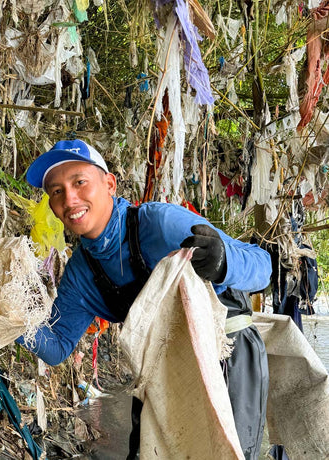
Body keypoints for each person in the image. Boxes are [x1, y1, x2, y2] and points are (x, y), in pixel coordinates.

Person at [17, 139, 272, 460]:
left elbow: (263, 266)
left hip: (227, 356)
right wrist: (12, 317)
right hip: (160, 369)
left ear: (109, 184)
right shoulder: (81, 274)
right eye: (56, 191)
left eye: (79, 182)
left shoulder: (159, 224)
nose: (69, 199)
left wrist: (223, 262)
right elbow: (56, 346)